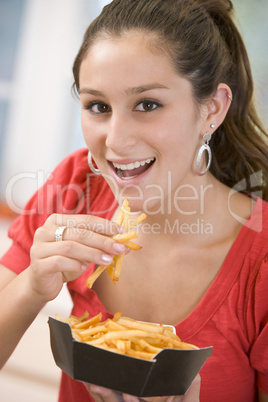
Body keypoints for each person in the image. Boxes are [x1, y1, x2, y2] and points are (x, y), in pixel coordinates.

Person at [0, 0, 267, 401]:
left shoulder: (259, 260)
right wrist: (32, 287)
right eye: (98, 106)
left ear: (212, 108)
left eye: (147, 104)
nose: (116, 140)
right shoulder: (77, 185)